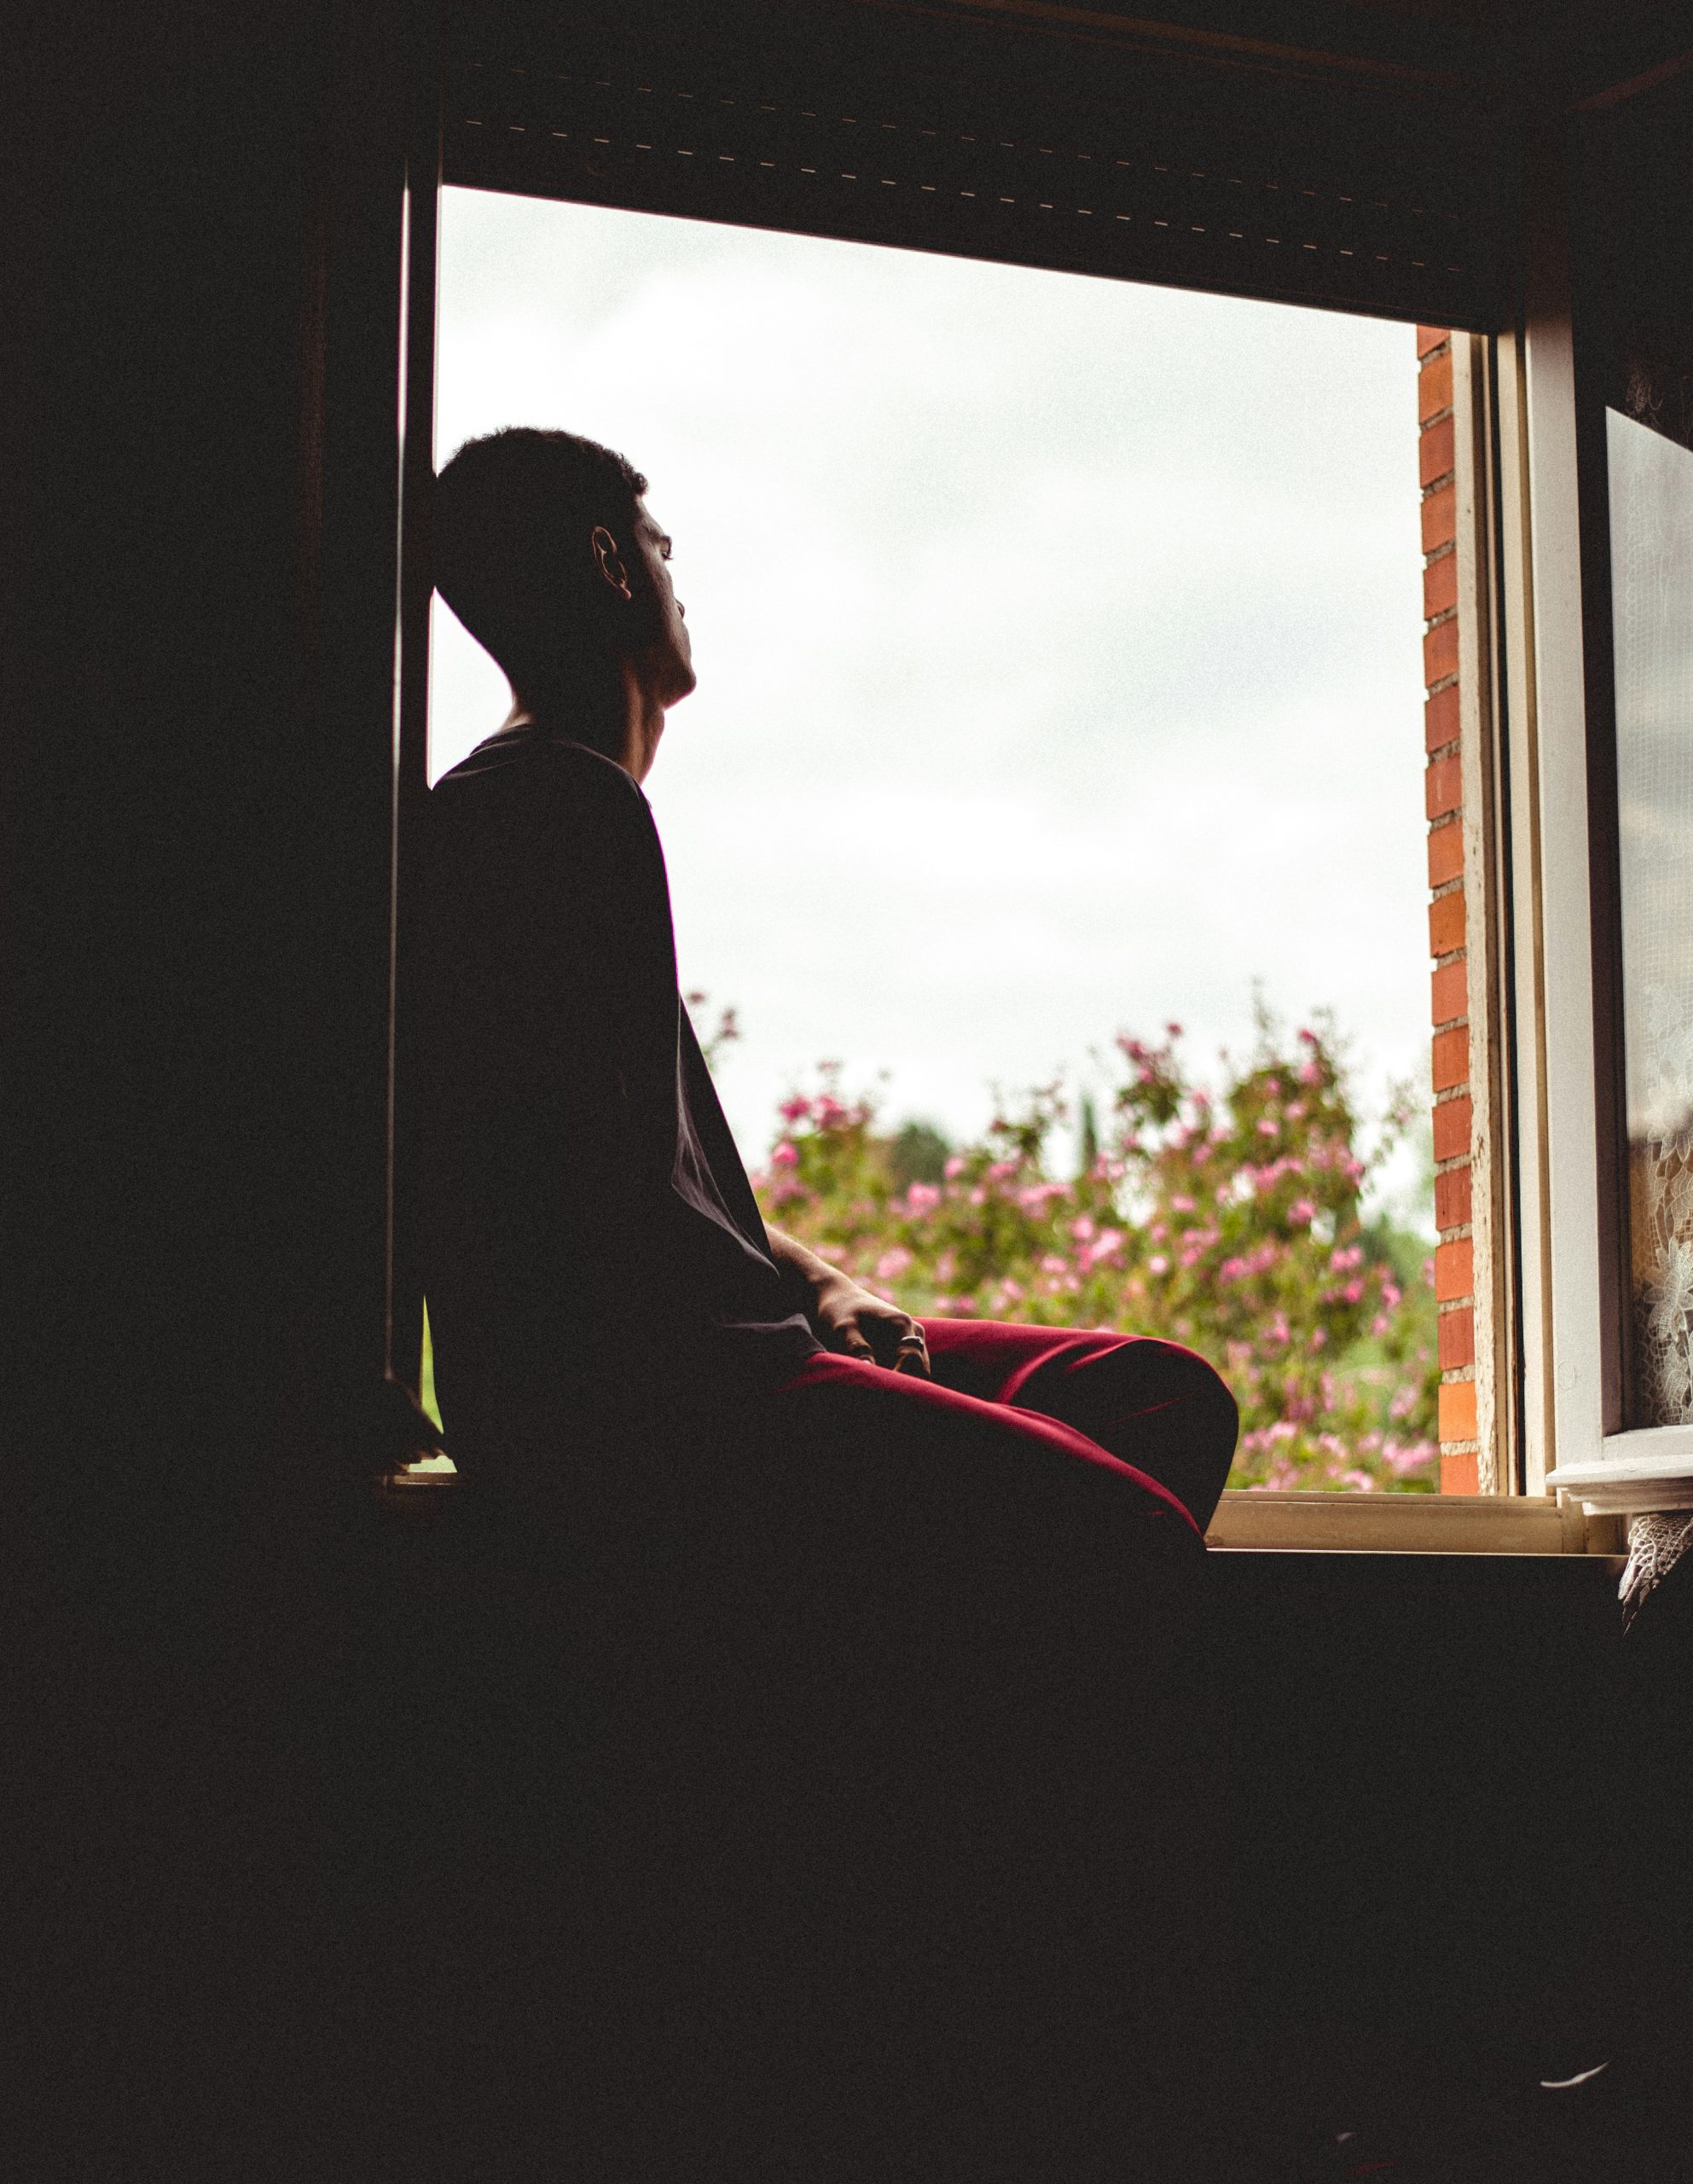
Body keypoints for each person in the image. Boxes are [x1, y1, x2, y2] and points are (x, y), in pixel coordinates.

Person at [409, 426, 1240, 2173]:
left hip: (726, 1351)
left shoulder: (567, 807)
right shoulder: (546, 811)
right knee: (1128, 1542)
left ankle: (909, 1817)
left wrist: (829, 1279)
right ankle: (1018, 2019)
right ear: (608, 564)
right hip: (665, 1407)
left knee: (1156, 1392)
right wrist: (802, 1339)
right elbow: (590, 1228)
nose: (677, 576)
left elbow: (666, 1173)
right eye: (659, 543)